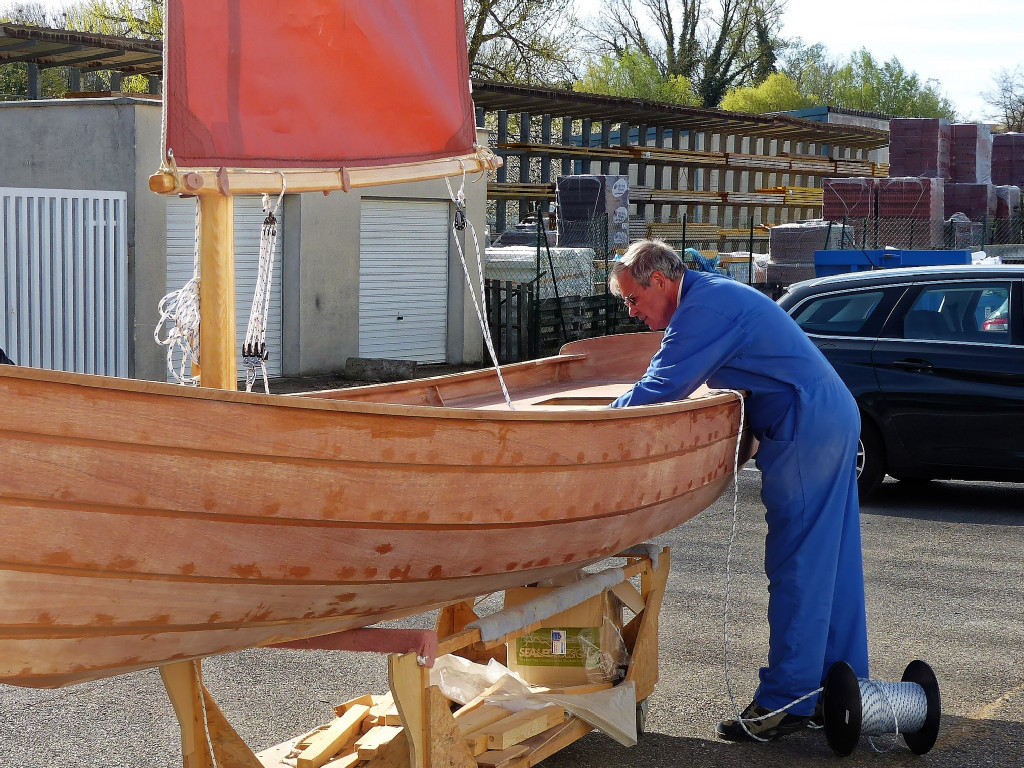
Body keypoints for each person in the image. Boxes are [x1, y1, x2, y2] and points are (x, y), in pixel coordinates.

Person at [608, 240, 868, 742]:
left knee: (798, 566)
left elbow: (659, 389)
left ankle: (787, 699)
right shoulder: (715, 294)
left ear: (659, 282)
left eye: (632, 299)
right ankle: (843, 687)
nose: (633, 312)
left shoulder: (701, 310)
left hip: (806, 428)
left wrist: (591, 425)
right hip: (829, 415)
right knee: (831, 562)